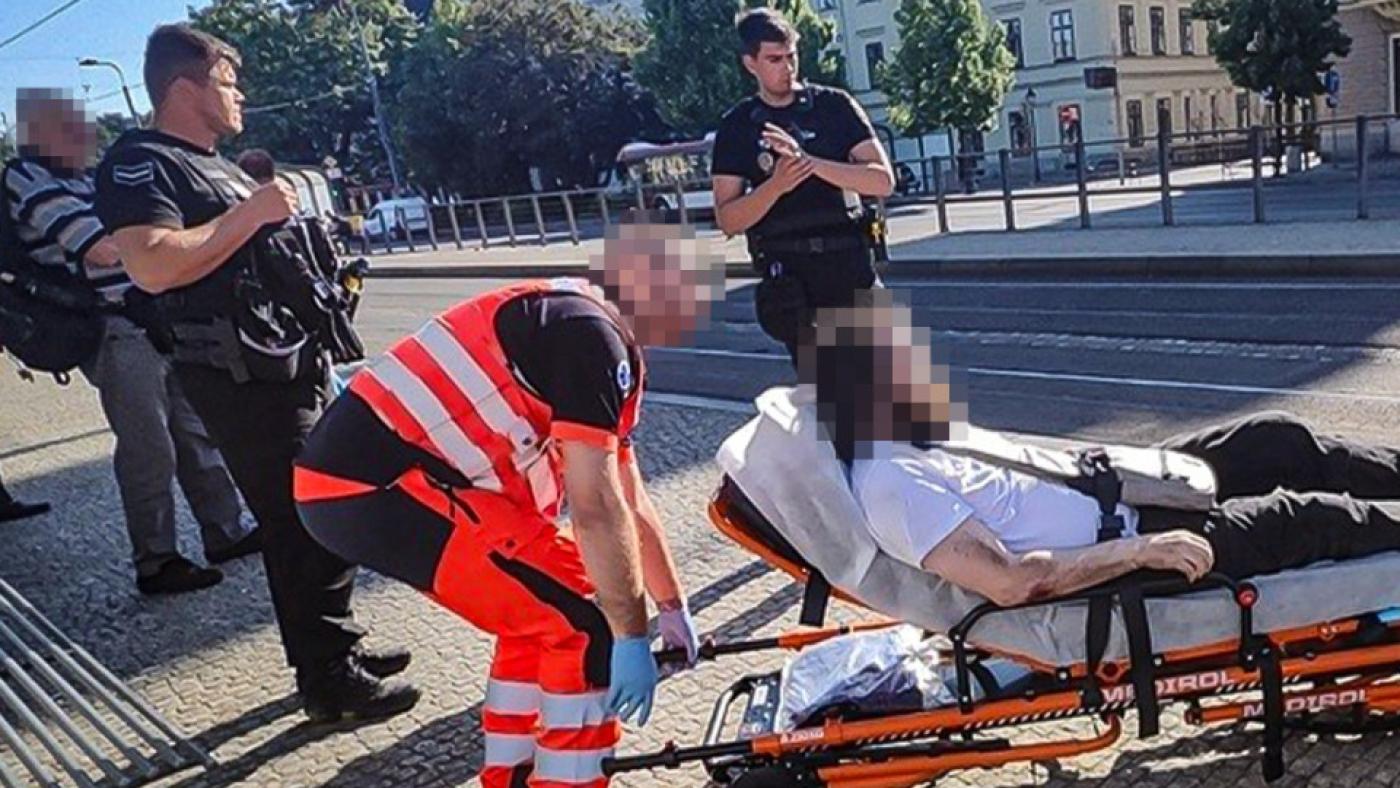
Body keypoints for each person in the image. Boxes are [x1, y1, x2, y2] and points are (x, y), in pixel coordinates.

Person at [292, 219, 721, 787]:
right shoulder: (592, 341)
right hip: (379, 487)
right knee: (586, 618)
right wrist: (630, 633)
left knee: (537, 610)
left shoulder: (574, 320)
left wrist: (670, 604)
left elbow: (627, 495)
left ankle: (514, 774)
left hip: (363, 484)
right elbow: (596, 508)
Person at [95, 24, 416, 721]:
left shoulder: (219, 165)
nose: (239, 95)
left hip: (288, 358)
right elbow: (151, 263)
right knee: (305, 512)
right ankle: (328, 678)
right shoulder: (141, 162)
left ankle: (332, 647)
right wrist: (252, 213)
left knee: (315, 507)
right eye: (227, 82)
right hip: (236, 372)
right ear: (185, 87)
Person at [804, 291, 1400, 608]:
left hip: (1114, 487)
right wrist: (1143, 551)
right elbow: (1010, 584)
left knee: (1276, 437)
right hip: (1128, 542)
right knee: (1305, 517)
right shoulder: (894, 485)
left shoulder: (915, 435)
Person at [5, 88, 255, 594]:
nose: (86, 136)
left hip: (157, 316)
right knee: (148, 446)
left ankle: (226, 530)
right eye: (70, 128)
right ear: (38, 135)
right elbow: (98, 248)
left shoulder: (87, 179)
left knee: (194, 430)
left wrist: (162, 241)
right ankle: (156, 560)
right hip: (115, 325)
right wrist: (164, 242)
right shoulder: (28, 178)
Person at [711, 8, 895, 364]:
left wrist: (809, 163)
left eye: (792, 56)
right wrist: (776, 185)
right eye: (775, 59)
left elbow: (882, 180)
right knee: (826, 386)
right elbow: (728, 219)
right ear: (750, 63)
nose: (788, 68)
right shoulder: (737, 127)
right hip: (793, 279)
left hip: (849, 265)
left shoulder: (833, 107)